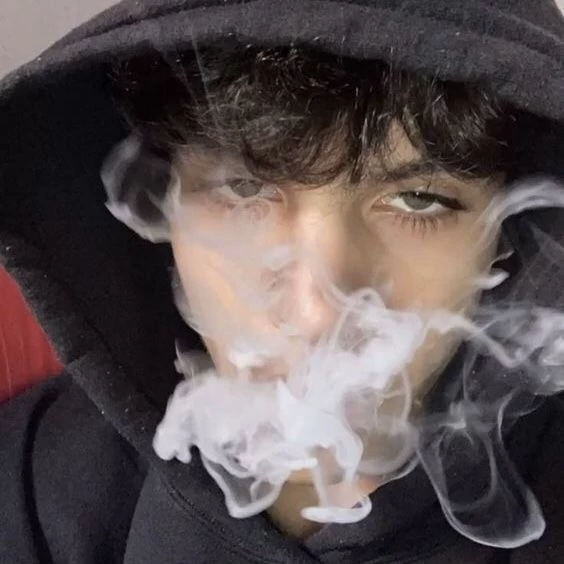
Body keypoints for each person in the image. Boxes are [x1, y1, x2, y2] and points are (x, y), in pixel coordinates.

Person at [0, 1, 562, 563]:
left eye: (418, 200)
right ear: (166, 204)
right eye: (243, 188)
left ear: (505, 231)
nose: (318, 314)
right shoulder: (30, 487)